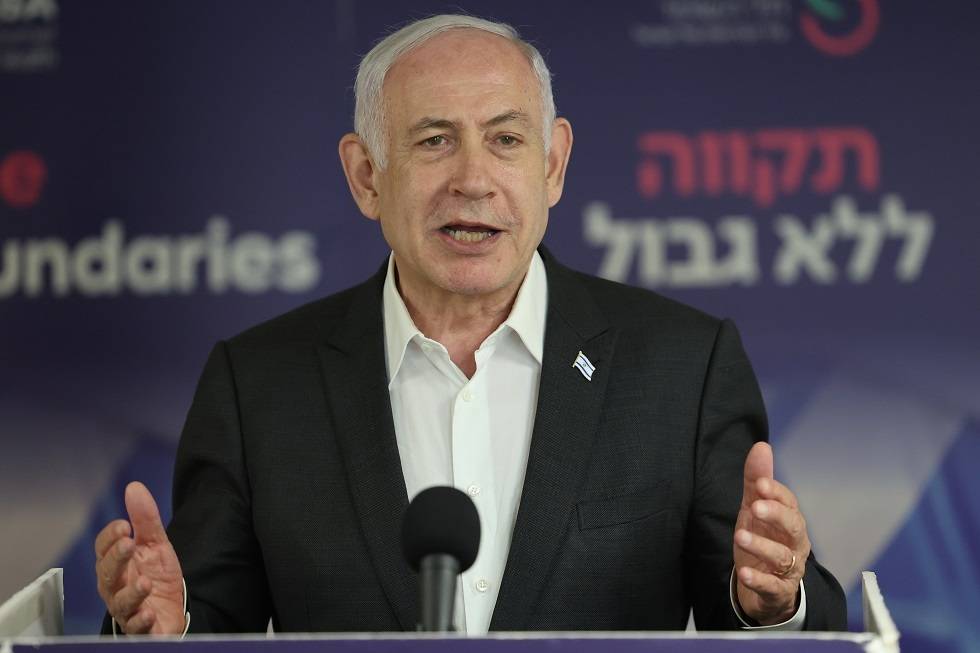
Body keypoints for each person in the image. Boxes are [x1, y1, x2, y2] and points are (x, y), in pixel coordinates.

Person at [94, 14, 846, 635]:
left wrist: (772, 602)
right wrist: (166, 623)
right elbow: (202, 620)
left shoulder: (684, 366)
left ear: (553, 165)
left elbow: (760, 608)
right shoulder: (258, 384)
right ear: (366, 176)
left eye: (506, 139)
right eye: (434, 140)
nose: (473, 179)